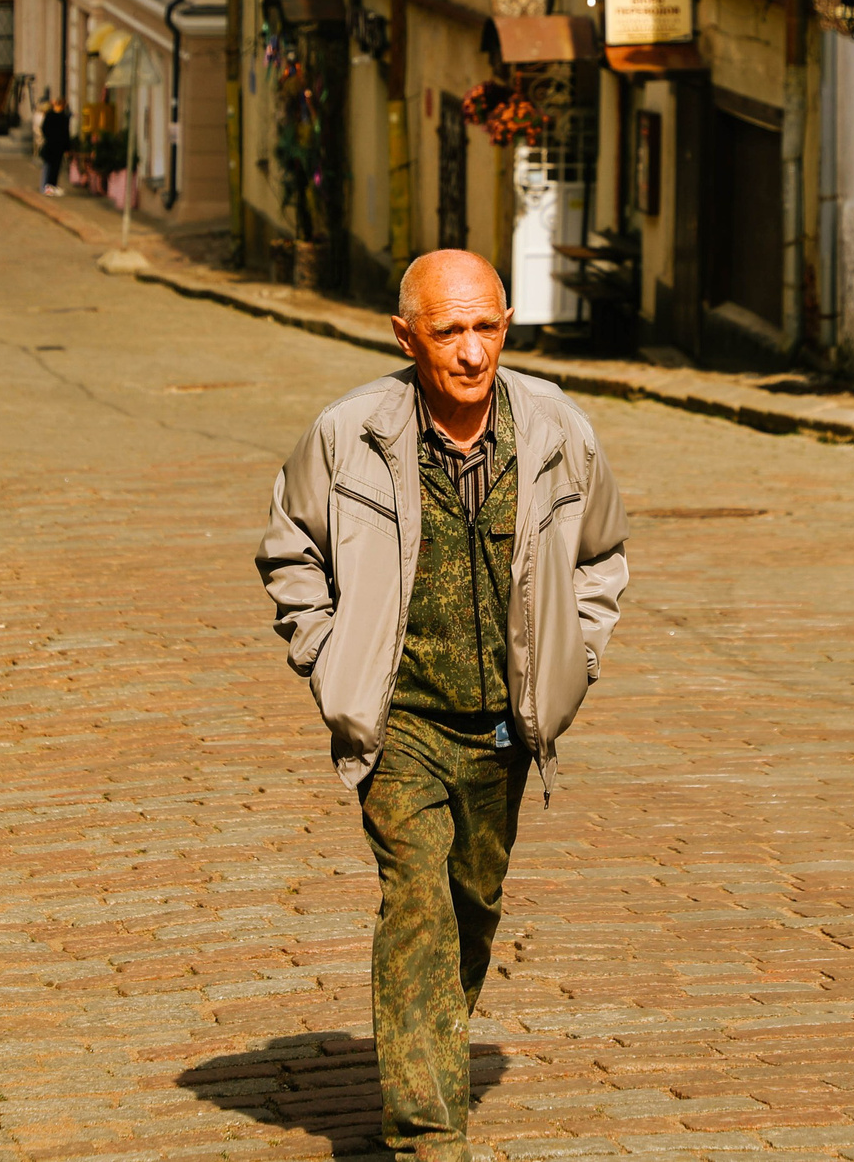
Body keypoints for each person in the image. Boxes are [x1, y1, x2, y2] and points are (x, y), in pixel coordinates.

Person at [258, 250, 629, 1162]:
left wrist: (573, 660)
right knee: (416, 900)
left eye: (487, 327)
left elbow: (602, 555)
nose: (471, 351)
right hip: (402, 720)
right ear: (405, 336)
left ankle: (425, 1046)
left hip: (506, 724)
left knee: (472, 904)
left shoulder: (556, 430)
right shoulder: (351, 434)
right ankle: (428, 1134)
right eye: (448, 330)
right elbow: (291, 548)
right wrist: (326, 654)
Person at [38, 94, 72, 196]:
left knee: (49, 167)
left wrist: (48, 137)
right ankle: (49, 187)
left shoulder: (50, 115)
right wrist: (66, 147)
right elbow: (66, 133)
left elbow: (44, 129)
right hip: (58, 145)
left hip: (51, 144)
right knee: (54, 168)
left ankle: (47, 187)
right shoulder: (63, 117)